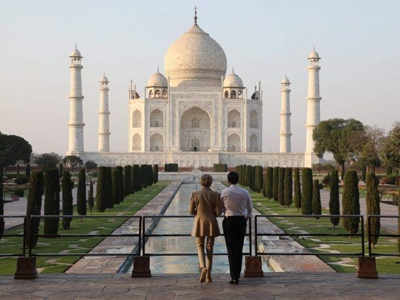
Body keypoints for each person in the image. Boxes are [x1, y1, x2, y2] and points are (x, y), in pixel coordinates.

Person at [189, 174, 223, 283]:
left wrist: (197, 212)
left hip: (199, 222)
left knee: (199, 246)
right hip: (212, 223)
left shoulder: (195, 194)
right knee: (210, 248)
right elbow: (218, 212)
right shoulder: (216, 195)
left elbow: (190, 211)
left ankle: (203, 267)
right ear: (211, 182)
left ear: (201, 182)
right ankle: (208, 274)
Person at [221, 171, 253, 284]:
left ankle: (233, 276)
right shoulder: (245, 192)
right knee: (238, 249)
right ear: (238, 180)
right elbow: (250, 209)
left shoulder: (224, 192)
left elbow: (220, 209)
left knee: (230, 249)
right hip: (240, 221)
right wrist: (246, 218)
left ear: (228, 180)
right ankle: (237, 275)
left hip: (229, 221)